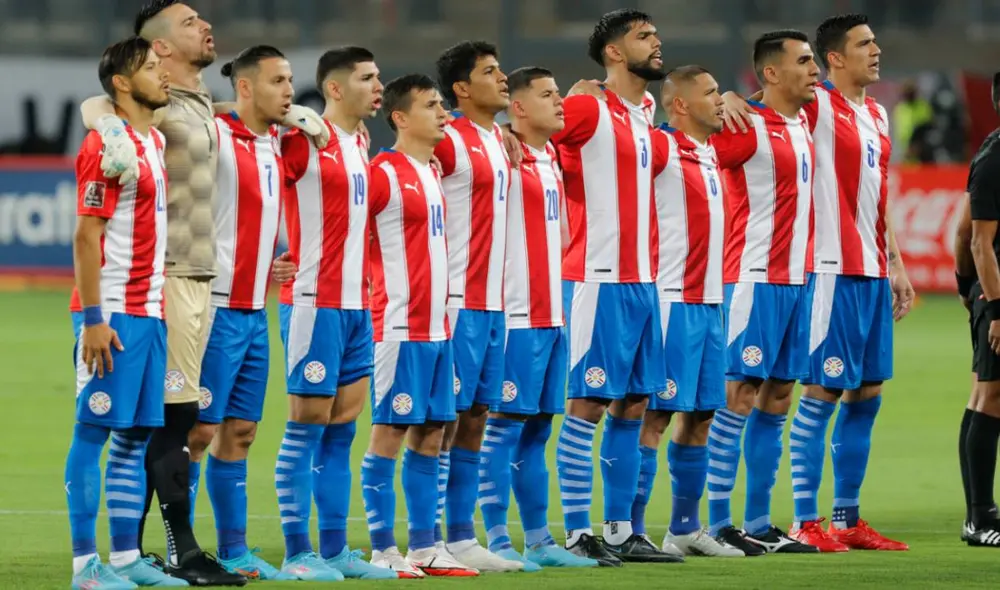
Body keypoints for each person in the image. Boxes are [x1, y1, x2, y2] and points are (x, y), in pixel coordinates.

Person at [78, 2, 324, 580]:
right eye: (189, 23)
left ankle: (140, 555)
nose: (205, 26)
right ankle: (168, 551)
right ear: (157, 48)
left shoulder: (193, 108)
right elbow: (100, 102)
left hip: (199, 277)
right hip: (166, 278)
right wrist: (108, 124)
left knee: (169, 419)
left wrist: (286, 116)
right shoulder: (153, 111)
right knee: (172, 421)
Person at [551, 8, 678, 566]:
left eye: (655, 33)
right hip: (597, 280)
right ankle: (579, 533)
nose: (657, 43)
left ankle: (622, 529)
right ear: (613, 53)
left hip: (643, 282)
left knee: (633, 405)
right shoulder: (585, 106)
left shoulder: (645, 110)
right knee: (588, 403)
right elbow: (525, 128)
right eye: (643, 36)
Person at [782, 13, 912, 552]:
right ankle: (805, 520)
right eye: (864, 43)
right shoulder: (817, 105)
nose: (876, 50)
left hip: (873, 272)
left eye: (876, 41)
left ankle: (847, 519)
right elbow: (769, 101)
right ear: (834, 58)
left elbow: (876, 201)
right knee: (823, 391)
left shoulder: (878, 114)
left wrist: (896, 263)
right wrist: (738, 102)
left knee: (868, 394)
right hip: (831, 271)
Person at [65, 36, 185, 589]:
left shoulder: (151, 141)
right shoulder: (104, 147)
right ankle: (85, 567)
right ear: (120, 82)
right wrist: (92, 319)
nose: (164, 75)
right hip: (111, 313)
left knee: (134, 439)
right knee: (93, 434)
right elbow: (86, 237)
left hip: (150, 312)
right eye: (152, 68)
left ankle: (123, 559)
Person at [275, 45, 396, 579]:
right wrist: (295, 116)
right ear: (335, 88)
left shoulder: (362, 140)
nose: (379, 87)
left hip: (356, 306)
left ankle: (333, 550)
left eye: (379, 77)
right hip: (313, 303)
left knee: (343, 430)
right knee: (306, 425)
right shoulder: (303, 141)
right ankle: (297, 552)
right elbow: (257, 142)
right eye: (368, 78)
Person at [474, 65, 598, 570]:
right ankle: (497, 539)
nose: (560, 102)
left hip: (552, 314)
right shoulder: (503, 154)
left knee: (539, 428)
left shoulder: (549, 156)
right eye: (548, 95)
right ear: (518, 108)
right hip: (516, 315)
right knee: (502, 427)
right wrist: (498, 133)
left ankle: (540, 539)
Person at [185, 45, 299, 580]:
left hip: (256, 312)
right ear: (247, 88)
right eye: (278, 80)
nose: (290, 91)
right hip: (215, 311)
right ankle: (175, 548)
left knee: (241, 434)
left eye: (291, 80)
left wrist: (265, 267)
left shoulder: (276, 142)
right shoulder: (216, 135)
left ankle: (233, 550)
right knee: (197, 434)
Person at [704, 29, 819, 555]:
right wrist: (723, 99)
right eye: (804, 60)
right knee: (739, 395)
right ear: (771, 73)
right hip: (752, 277)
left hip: (799, 280)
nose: (815, 68)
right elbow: (687, 137)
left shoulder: (805, 121)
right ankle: (716, 522)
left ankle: (759, 521)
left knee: (777, 397)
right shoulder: (744, 127)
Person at [360, 73, 479, 578]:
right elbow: (343, 233)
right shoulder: (382, 172)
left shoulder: (429, 171)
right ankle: (382, 550)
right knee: (388, 434)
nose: (444, 113)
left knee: (434, 436)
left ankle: (426, 547)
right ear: (401, 117)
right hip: (398, 327)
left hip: (438, 328)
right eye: (433, 106)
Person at [630, 65, 746, 559]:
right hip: (672, 301)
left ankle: (684, 528)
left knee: (700, 415)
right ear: (679, 105)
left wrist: (749, 96)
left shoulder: (710, 152)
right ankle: (631, 529)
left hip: (710, 302)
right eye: (711, 92)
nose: (721, 100)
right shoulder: (658, 147)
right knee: (653, 417)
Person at [431, 40, 523, 573]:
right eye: (490, 71)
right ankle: (432, 536)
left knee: (477, 418)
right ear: (461, 89)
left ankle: (462, 537)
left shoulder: (497, 140)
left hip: (495, 303)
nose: (503, 77)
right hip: (456, 302)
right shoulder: (449, 141)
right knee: (444, 420)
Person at [963, 71, 1000, 546]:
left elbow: (958, 229)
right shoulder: (995, 157)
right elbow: (977, 239)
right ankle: (979, 518)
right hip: (999, 294)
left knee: (985, 397)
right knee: (990, 398)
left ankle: (984, 513)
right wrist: (994, 308)